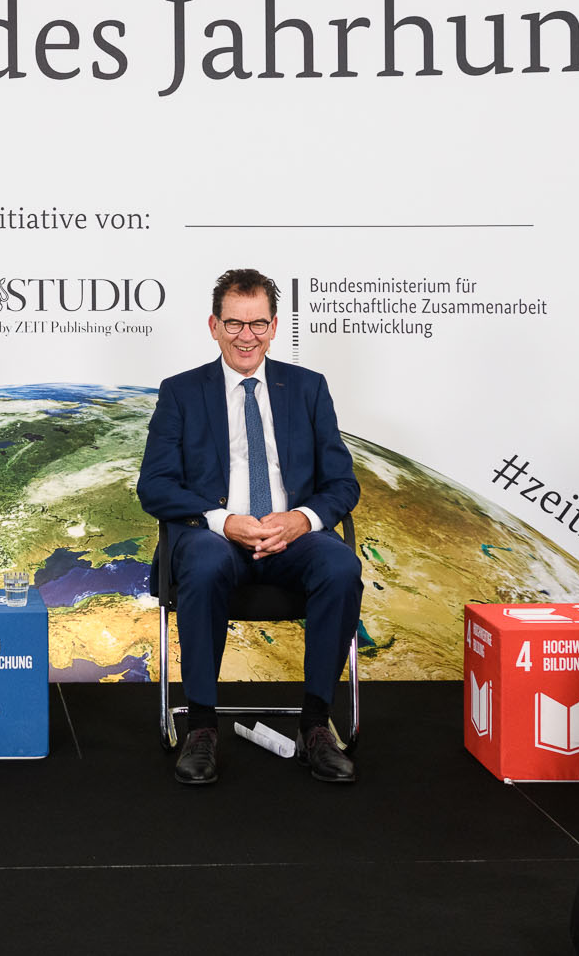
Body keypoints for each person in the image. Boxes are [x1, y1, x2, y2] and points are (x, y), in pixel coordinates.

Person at [136, 268, 363, 785]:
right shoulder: (182, 392)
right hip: (213, 536)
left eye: (258, 323)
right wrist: (224, 520)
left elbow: (342, 484)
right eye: (234, 323)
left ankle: (315, 725)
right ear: (213, 326)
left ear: (275, 325)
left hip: (292, 538)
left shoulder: (308, 389)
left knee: (340, 565)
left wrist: (300, 519)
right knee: (207, 558)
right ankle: (201, 727)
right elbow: (155, 485)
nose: (246, 336)